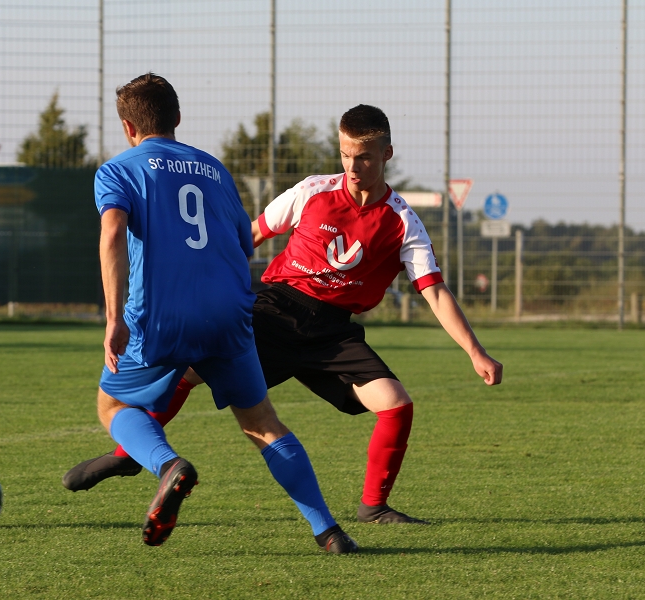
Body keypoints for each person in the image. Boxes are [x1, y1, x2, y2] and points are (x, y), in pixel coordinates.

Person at [65, 103, 504, 525]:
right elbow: (251, 234)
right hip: (275, 312)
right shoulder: (313, 191)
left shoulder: (402, 221)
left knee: (396, 404)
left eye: (365, 157)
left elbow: (435, 290)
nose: (353, 167)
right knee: (188, 373)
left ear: (386, 154)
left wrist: (475, 352)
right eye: (346, 155)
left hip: (332, 333)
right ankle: (129, 457)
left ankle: (374, 507)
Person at [85, 72, 357, 553]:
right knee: (262, 422)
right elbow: (239, 239)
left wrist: (113, 318)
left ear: (129, 127)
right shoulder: (214, 170)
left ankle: (169, 465)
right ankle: (329, 532)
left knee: (113, 406)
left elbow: (112, 235)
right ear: (179, 119)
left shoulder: (119, 169)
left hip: (162, 314)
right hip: (231, 313)